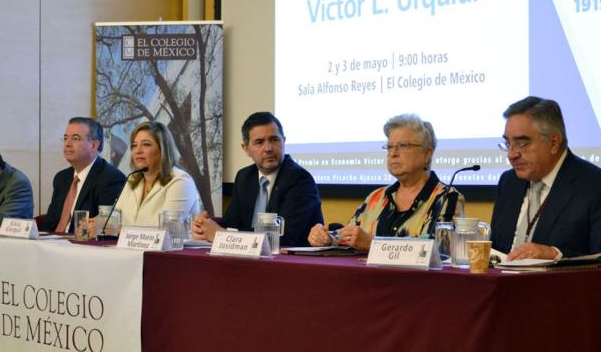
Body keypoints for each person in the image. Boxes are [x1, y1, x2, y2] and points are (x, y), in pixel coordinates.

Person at [307, 114, 464, 251]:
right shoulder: (377, 197)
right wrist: (327, 237)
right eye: (389, 147)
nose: (393, 154)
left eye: (403, 146)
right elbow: (351, 235)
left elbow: (436, 251)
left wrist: (373, 244)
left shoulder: (447, 198)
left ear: (427, 154)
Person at [491, 96, 601, 260]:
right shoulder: (509, 182)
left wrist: (555, 254)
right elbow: (497, 247)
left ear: (554, 142)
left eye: (522, 143)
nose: (511, 154)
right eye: (508, 143)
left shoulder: (593, 184)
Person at [192, 111, 323, 246]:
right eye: (259, 142)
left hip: (290, 263)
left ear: (284, 141)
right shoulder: (244, 177)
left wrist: (219, 234)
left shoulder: (300, 179)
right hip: (250, 260)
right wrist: (205, 226)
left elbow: (283, 238)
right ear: (246, 149)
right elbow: (231, 223)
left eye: (274, 139)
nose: (268, 148)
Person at [42, 117, 126, 233]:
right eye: (65, 138)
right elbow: (50, 223)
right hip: (53, 244)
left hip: (82, 246)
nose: (67, 144)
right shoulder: (61, 178)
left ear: (94, 145)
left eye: (75, 139)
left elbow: (108, 226)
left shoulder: (110, 178)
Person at [114, 121, 200, 226]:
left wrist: (120, 230)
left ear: (162, 149)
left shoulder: (181, 182)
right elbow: (114, 221)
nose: (138, 151)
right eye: (134, 145)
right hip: (130, 242)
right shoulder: (132, 179)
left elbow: (164, 231)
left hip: (171, 243)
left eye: (146, 144)